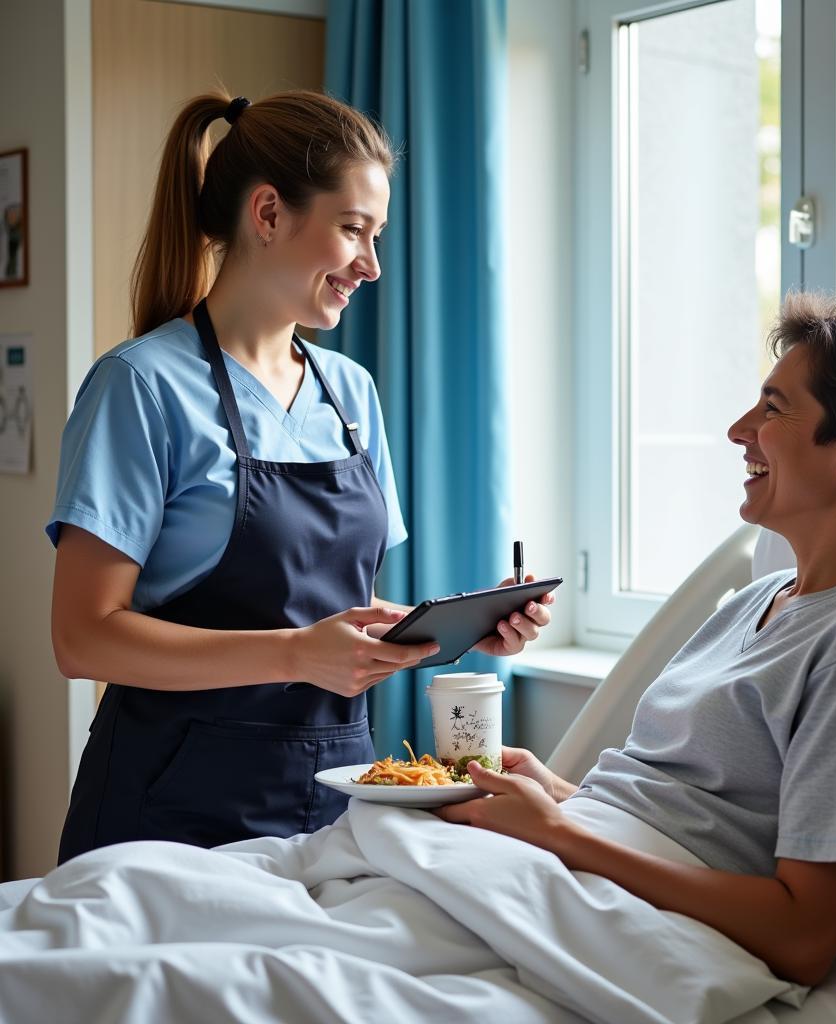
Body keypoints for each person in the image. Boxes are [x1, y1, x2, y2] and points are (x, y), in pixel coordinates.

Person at [49, 90, 552, 864]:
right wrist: (293, 654)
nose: (372, 265)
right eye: (353, 229)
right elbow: (83, 637)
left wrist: (450, 631)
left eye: (377, 235)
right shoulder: (141, 386)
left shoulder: (350, 393)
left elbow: (328, 611)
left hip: (339, 796)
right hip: (169, 814)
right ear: (269, 213)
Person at [440, 293, 836, 988]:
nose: (737, 430)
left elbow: (805, 934)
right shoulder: (761, 598)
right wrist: (560, 797)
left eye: (774, 409)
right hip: (581, 861)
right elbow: (692, 809)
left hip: (617, 909)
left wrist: (557, 834)